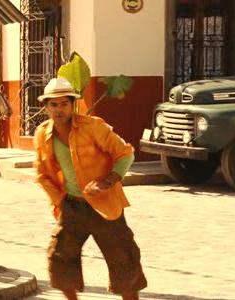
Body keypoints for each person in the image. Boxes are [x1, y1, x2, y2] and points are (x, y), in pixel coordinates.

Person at [33, 77, 147, 300]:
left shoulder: (93, 126)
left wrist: (107, 182)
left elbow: (125, 153)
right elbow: (42, 175)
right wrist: (61, 202)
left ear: (72, 105)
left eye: (64, 104)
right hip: (72, 207)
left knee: (124, 262)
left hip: (105, 207)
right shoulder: (42, 134)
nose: (59, 110)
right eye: (53, 105)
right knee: (59, 259)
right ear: (46, 107)